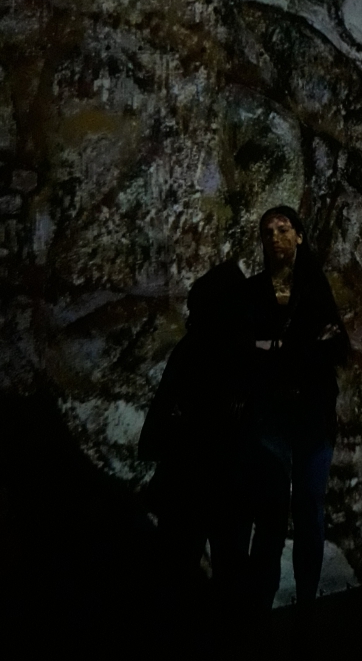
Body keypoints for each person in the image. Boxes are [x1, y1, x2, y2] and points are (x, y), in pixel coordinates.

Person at [243, 205, 349, 625]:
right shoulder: (253, 291)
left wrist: (276, 349)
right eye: (268, 231)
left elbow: (336, 347)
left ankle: (306, 604)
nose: (275, 237)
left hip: (312, 416)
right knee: (270, 514)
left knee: (309, 511)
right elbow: (245, 350)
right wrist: (301, 349)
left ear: (299, 235)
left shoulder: (314, 289)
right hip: (271, 419)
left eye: (283, 229)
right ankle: (260, 609)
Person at [138, 260, 252, 610]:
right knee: (222, 572)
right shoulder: (241, 351)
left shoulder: (194, 348)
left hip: (193, 478)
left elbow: (164, 410)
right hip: (221, 479)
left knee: (180, 573)